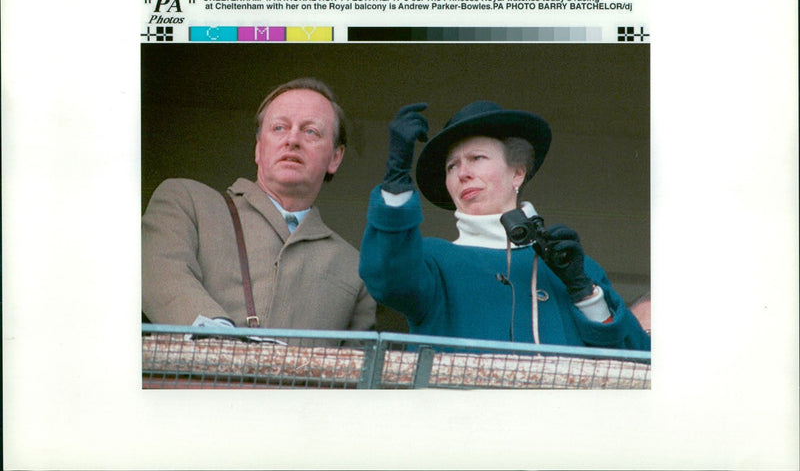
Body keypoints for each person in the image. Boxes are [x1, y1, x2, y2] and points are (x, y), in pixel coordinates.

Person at [359, 101, 650, 350]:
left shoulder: (575, 267)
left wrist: (584, 293)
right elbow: (386, 277)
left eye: (477, 158)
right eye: (452, 166)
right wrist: (395, 183)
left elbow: (639, 362)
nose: (463, 173)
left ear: (518, 173)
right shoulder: (432, 260)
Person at [142, 77, 376, 332]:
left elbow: (360, 365)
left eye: (311, 131)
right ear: (258, 148)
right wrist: (221, 342)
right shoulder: (186, 201)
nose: (293, 140)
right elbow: (159, 276)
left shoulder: (356, 267)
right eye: (279, 128)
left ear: (335, 158)